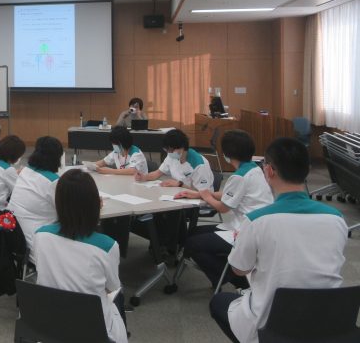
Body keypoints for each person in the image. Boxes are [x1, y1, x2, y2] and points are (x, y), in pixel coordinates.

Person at [210, 137, 347, 343]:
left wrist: (244, 242)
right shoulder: (337, 219)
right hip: (325, 319)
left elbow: (239, 269)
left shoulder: (256, 221)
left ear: (269, 171)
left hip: (273, 323)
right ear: (307, 170)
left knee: (218, 302)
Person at [34, 169, 128, 343]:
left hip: (49, 325)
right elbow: (112, 286)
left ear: (58, 203)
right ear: (95, 204)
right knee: (117, 297)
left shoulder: (40, 235)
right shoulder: (107, 246)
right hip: (93, 330)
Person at [175, 130, 273, 289]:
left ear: (227, 154)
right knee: (193, 233)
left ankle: (233, 278)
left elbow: (223, 208)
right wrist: (200, 194)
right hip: (257, 228)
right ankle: (225, 273)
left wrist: (205, 196)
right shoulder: (254, 169)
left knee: (191, 243)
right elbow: (230, 194)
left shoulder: (239, 176)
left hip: (245, 232)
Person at [8, 136, 63, 262]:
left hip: (13, 238)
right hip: (37, 245)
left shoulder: (24, 172)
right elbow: (72, 212)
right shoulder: (53, 182)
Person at [135, 129, 214, 190]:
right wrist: (144, 177)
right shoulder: (172, 156)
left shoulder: (199, 164)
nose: (169, 153)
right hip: (179, 193)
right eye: (167, 150)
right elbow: (158, 173)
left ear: (182, 147)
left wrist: (179, 184)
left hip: (198, 201)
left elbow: (204, 193)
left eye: (171, 150)